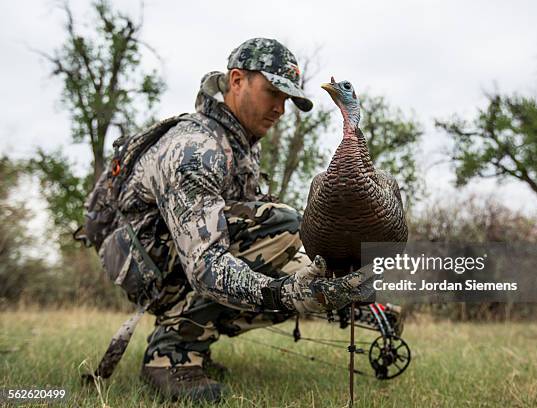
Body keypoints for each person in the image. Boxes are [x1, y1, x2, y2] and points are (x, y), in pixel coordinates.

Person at [98, 38, 372, 403]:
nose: (280, 109)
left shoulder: (238, 144)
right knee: (285, 229)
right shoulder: (197, 149)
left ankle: (193, 338)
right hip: (148, 262)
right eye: (272, 92)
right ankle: (172, 355)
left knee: (297, 256)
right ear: (237, 80)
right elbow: (207, 265)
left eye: (286, 99)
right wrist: (282, 291)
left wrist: (329, 283)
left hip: (173, 258)